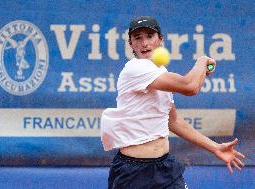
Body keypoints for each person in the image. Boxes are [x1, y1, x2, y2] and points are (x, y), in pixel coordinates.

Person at [100, 16, 245, 189]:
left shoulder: (160, 72)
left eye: (149, 36)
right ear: (131, 44)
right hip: (133, 173)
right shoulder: (135, 68)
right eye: (137, 38)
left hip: (164, 168)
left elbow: (173, 121)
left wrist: (215, 148)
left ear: (160, 40)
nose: (144, 42)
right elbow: (190, 86)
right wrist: (202, 61)